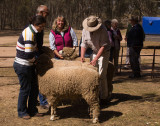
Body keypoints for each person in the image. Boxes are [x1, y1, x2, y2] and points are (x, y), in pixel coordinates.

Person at [13, 16, 46, 120]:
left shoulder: (32, 31)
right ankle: (22, 112)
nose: (42, 29)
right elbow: (28, 54)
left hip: (29, 64)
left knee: (34, 88)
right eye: (42, 27)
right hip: (23, 65)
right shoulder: (29, 34)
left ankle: (32, 110)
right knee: (25, 89)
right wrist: (37, 59)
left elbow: (32, 49)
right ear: (36, 25)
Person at [80, 15, 111, 104]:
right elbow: (84, 43)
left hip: (104, 52)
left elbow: (103, 46)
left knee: (101, 74)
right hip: (94, 51)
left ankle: (104, 97)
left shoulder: (103, 30)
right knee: (92, 74)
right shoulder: (85, 30)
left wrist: (96, 59)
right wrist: (82, 56)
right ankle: (94, 94)